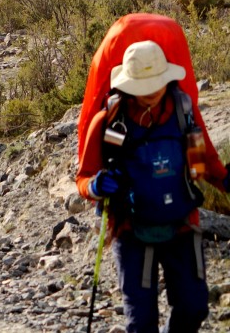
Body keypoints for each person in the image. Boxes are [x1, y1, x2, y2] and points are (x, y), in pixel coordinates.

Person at [77, 19, 228, 333]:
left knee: (193, 307)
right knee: (141, 323)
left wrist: (224, 180)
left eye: (154, 86)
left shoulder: (182, 110)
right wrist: (94, 186)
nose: (149, 94)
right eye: (141, 88)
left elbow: (207, 160)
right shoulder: (108, 120)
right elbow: (84, 177)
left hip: (182, 225)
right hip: (131, 229)